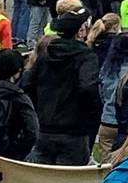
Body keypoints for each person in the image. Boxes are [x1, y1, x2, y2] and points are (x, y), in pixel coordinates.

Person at [28, 10, 102, 165]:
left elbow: (28, 84)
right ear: (80, 31)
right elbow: (88, 88)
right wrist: (89, 117)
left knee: (41, 179)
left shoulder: (45, 55)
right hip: (73, 131)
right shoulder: (86, 57)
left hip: (44, 127)